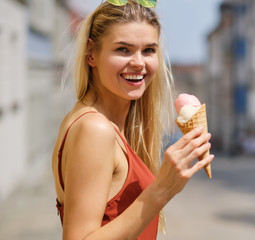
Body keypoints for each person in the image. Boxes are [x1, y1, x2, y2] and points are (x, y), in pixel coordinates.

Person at [51, 1, 214, 239]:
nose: (139, 62)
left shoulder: (107, 124)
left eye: (148, 50)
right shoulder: (94, 129)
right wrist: (161, 190)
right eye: (123, 49)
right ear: (91, 54)